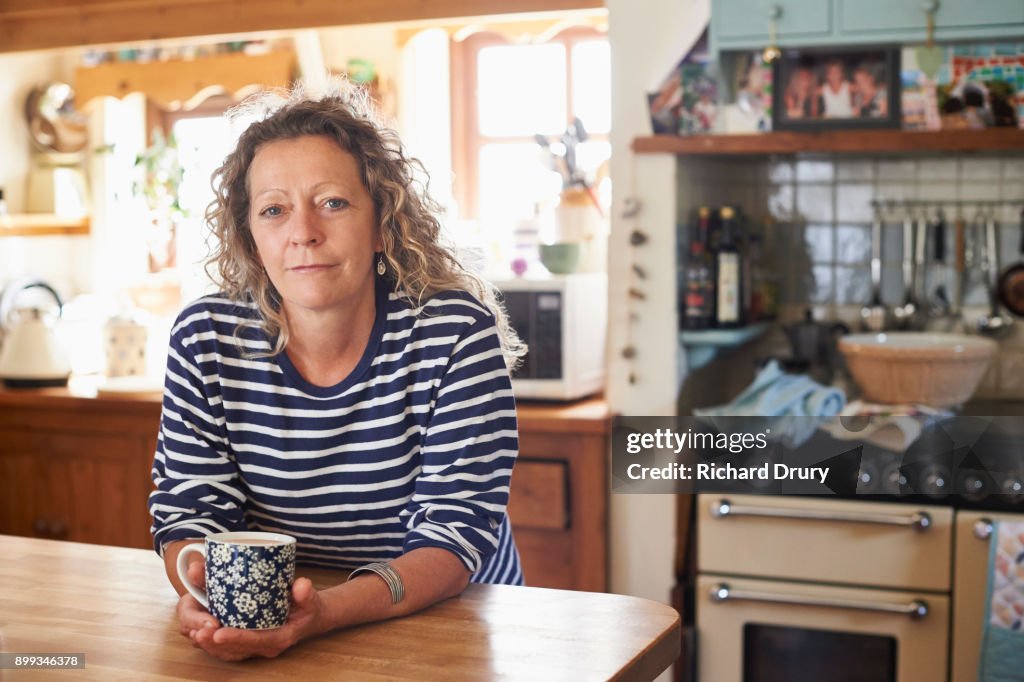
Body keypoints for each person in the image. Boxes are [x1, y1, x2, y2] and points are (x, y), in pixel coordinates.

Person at [148, 80, 527, 661]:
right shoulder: (206, 338)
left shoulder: (453, 333)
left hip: (451, 622)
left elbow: (452, 537)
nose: (303, 232)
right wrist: (201, 590)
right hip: (286, 624)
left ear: (383, 223)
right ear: (251, 240)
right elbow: (191, 509)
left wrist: (323, 612)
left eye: (332, 202)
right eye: (274, 209)